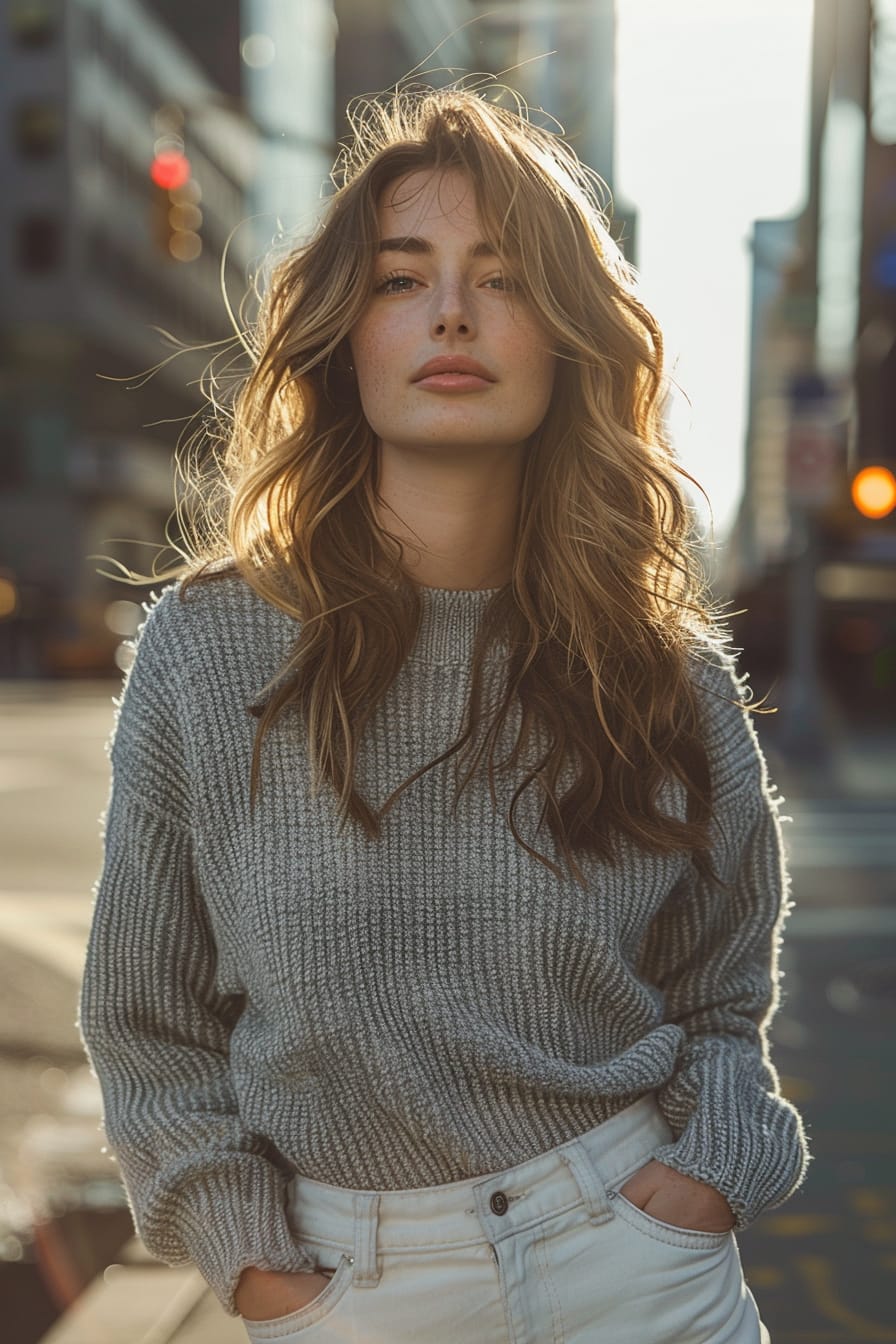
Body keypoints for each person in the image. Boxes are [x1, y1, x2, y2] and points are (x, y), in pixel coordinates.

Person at [78, 83, 811, 1343]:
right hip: (354, 1289)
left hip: (635, 1264)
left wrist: (698, 1188)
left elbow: (716, 998)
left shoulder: (661, 674)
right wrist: (259, 1270)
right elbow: (148, 1025)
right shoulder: (209, 651)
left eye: (506, 278)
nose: (453, 314)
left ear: (569, 337)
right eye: (401, 278)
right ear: (342, 333)